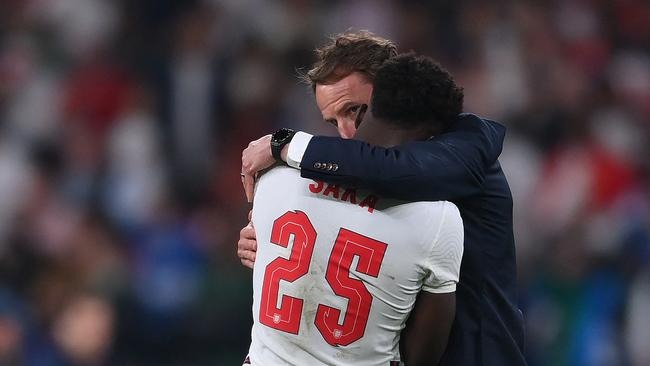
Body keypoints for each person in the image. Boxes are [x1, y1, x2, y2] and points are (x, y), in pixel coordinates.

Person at [239, 31, 527, 365]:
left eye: (354, 111)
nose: (347, 133)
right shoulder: (367, 170)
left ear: (390, 89)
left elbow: (399, 171)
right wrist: (272, 241)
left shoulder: (467, 145)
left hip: (476, 353)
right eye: (334, 122)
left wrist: (286, 144)